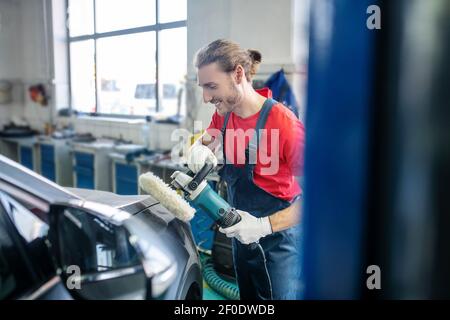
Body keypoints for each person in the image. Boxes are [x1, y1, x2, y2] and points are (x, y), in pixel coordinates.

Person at [188, 39, 305, 299]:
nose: (206, 97)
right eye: (203, 88)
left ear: (238, 74)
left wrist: (263, 225)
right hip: (241, 236)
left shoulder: (285, 125)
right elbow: (210, 136)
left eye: (211, 86)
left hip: (277, 241)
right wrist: (200, 147)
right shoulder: (224, 113)